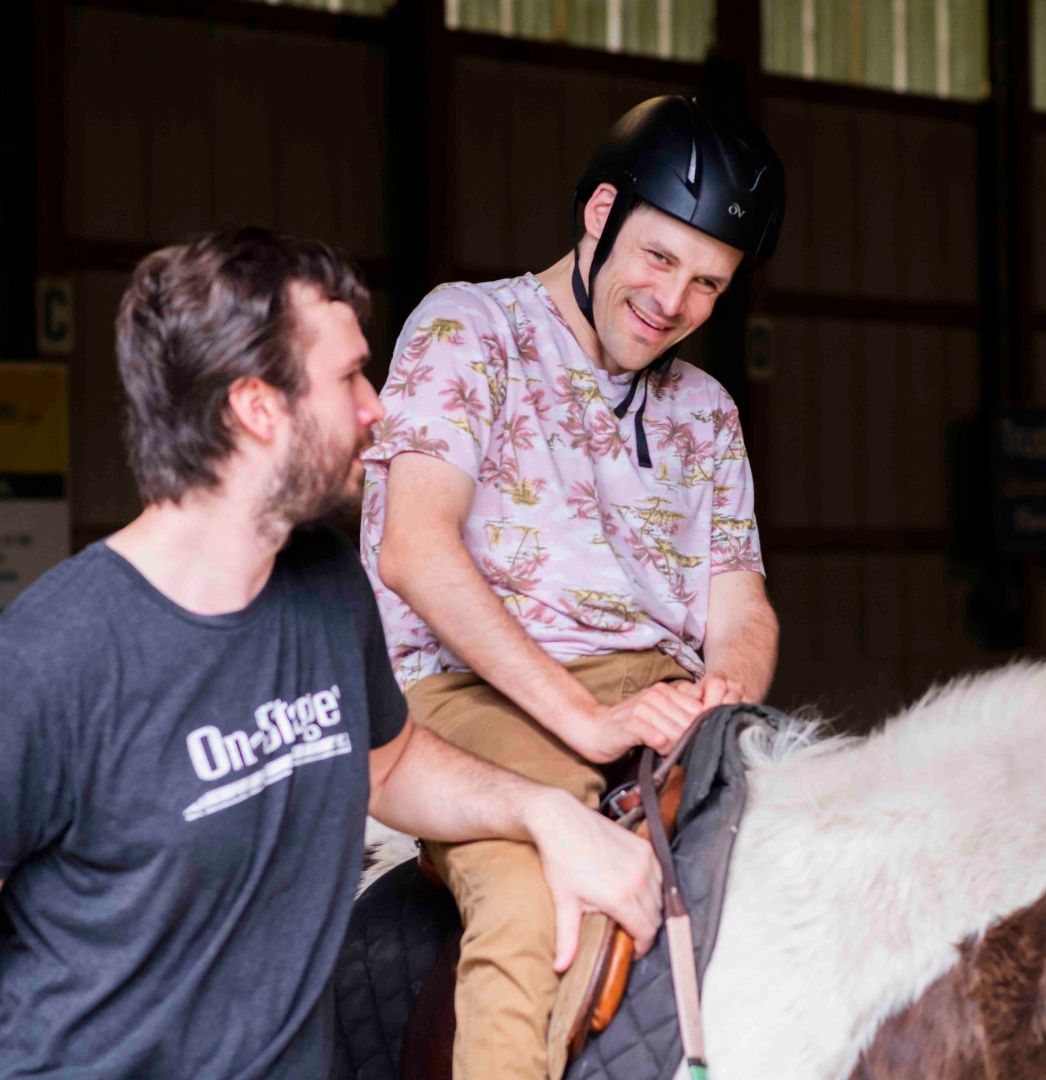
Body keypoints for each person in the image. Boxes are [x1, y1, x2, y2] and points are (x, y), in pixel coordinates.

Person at [0, 229, 664, 1080]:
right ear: (256, 407)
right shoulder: (53, 658)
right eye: (349, 376)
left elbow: (390, 765)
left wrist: (548, 814)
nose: (377, 406)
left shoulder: (323, 585)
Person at [360, 95, 786, 1079]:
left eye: (708, 284)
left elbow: (742, 606)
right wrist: (586, 723)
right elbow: (416, 552)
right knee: (526, 903)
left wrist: (728, 688)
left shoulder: (707, 413)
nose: (673, 301)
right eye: (659, 258)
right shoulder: (468, 329)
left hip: (656, 690)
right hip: (475, 690)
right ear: (599, 213)